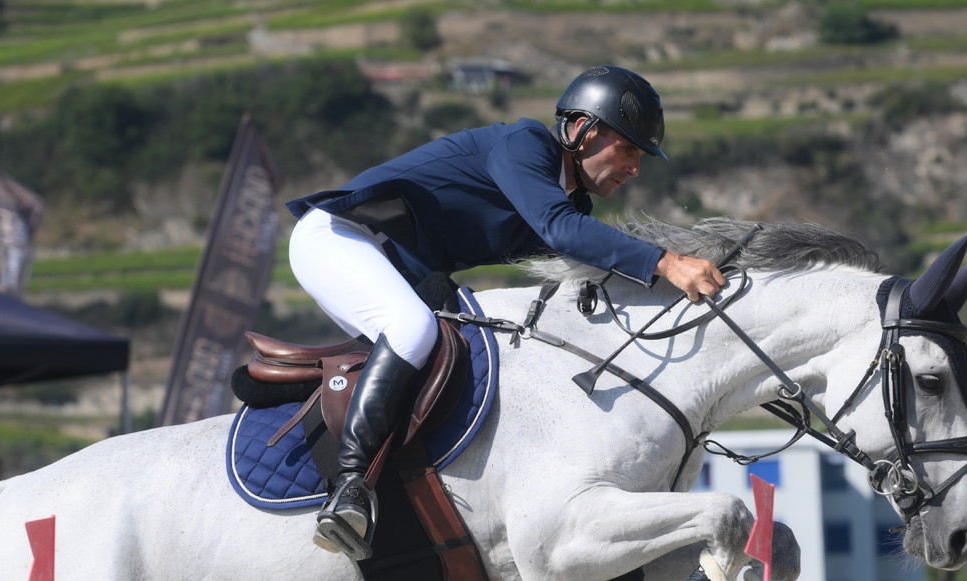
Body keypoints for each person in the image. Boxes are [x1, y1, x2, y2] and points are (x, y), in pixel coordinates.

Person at [284, 65, 725, 562]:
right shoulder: (525, 145)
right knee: (411, 330)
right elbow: (563, 232)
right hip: (342, 237)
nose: (635, 168)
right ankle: (351, 488)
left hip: (404, 266)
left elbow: (590, 264)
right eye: (627, 150)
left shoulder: (570, 199)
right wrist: (667, 261)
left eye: (641, 157)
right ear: (581, 129)